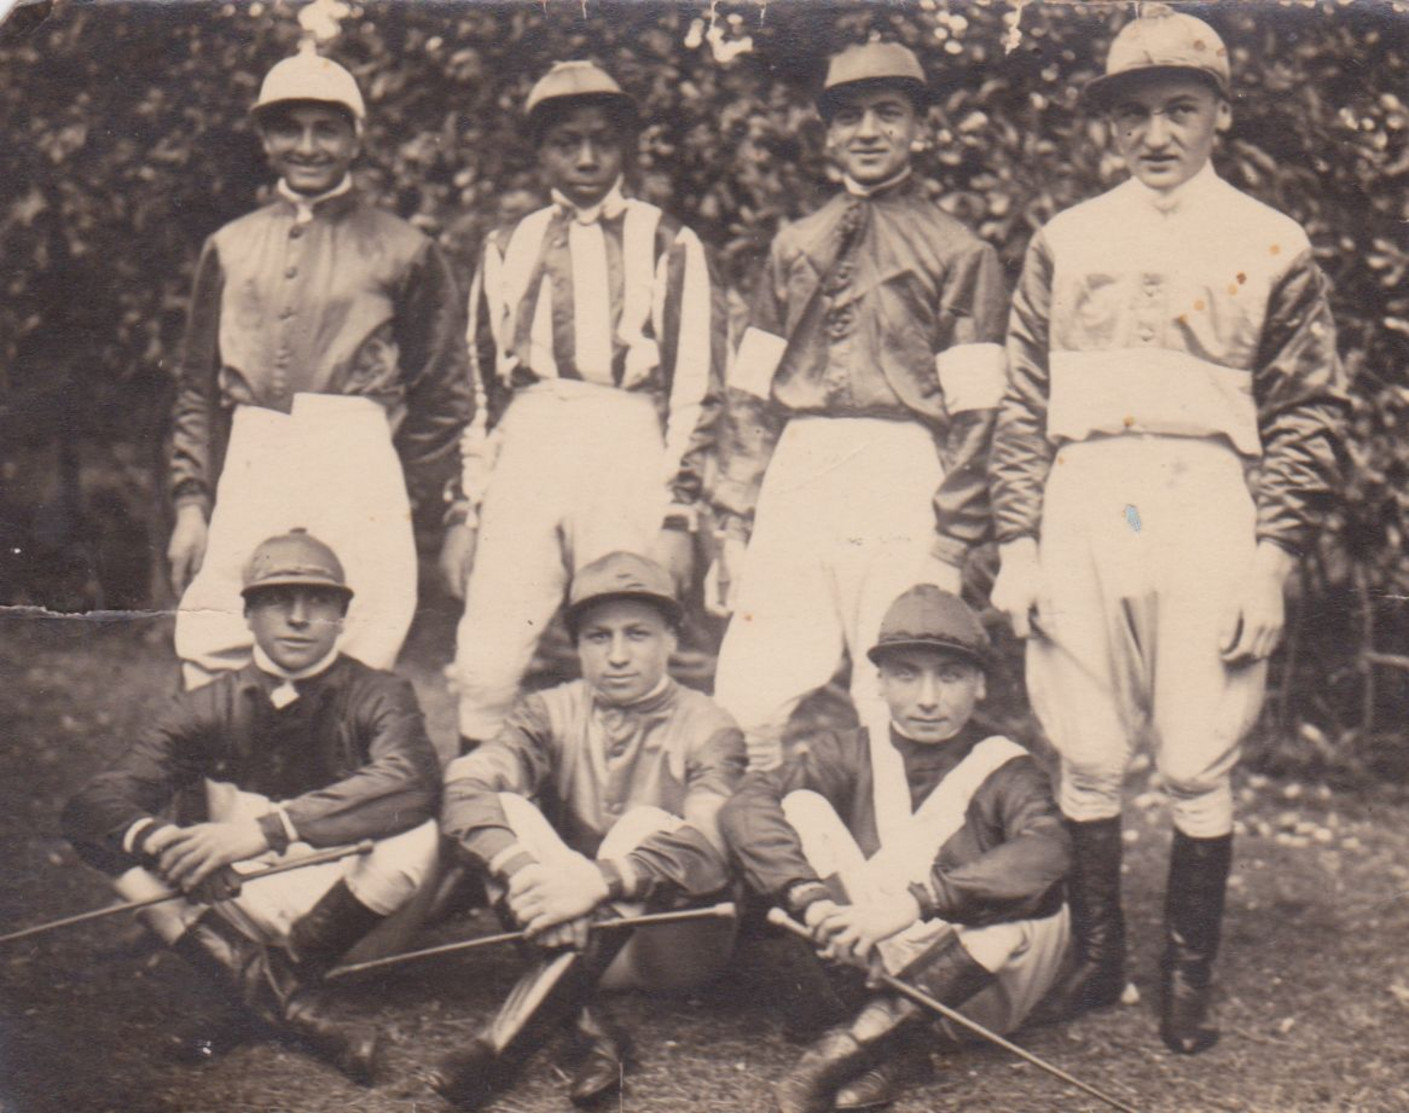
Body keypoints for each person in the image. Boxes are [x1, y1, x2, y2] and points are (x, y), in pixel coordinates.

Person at [989, 6, 1348, 1055]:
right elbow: (1019, 403)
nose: (1155, 136)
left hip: (1202, 493)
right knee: (1086, 740)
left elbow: (1307, 412)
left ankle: (1185, 969)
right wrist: (1017, 541)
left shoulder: (1270, 240)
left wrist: (1270, 556)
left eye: (1178, 111)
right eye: (1133, 114)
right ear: (1107, 124)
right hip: (1084, 489)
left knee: (1196, 749)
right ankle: (1099, 958)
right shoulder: (1063, 239)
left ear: (1219, 115)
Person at [710, 42, 1008, 770]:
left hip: (900, 468)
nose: (868, 132)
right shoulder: (793, 245)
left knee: (895, 684)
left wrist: (953, 535)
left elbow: (978, 412)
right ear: (828, 133)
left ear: (920, 128)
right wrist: (732, 520)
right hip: (801, 464)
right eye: (849, 117)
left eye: (887, 114)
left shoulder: (957, 250)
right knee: (750, 688)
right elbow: (749, 394)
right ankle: (757, 866)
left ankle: (892, 867)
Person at [62, 530, 442, 1082]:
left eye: (318, 602)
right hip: (243, 905)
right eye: (276, 600)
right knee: (117, 845)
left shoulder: (381, 694)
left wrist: (270, 829)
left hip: (357, 925)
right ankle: (287, 1001)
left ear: (342, 615)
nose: (297, 618)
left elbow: (412, 780)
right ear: (247, 614)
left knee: (413, 827)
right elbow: (92, 804)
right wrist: (159, 841)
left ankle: (248, 992)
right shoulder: (209, 703)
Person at [168, 46, 472, 689]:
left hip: (356, 453)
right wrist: (191, 501)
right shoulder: (229, 246)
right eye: (289, 128)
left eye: (326, 129)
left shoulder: (404, 248)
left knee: (360, 636)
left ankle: (337, 790)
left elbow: (444, 391)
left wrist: (388, 468)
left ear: (355, 137)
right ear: (265, 137)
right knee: (217, 631)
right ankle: (235, 791)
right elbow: (196, 387)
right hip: (255, 449)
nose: (307, 147)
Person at [450, 61, 726, 753]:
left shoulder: (669, 242)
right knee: (488, 657)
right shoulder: (505, 245)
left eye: (602, 140)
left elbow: (697, 387)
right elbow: (478, 391)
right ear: (539, 149)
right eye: (565, 141)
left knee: (622, 644)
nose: (584, 158)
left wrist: (677, 513)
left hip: (622, 439)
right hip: (531, 437)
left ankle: (626, 825)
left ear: (624, 146)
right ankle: (480, 824)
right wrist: (466, 509)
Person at [720, 585, 1071, 1112]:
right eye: (907, 674)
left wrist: (914, 904)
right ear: (879, 683)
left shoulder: (1009, 767)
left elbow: (1048, 850)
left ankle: (834, 1056)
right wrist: (811, 899)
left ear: (978, 685)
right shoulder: (848, 750)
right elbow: (746, 804)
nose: (928, 698)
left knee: (1021, 916)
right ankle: (898, 1048)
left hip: (971, 993)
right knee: (800, 807)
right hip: (865, 963)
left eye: (949, 676)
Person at [434, 551, 745, 1109]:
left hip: (670, 946)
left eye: (638, 635)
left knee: (645, 824)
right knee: (504, 803)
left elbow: (712, 846)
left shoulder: (710, 724)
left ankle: (498, 1047)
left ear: (673, 639)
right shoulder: (548, 710)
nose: (618, 656)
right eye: (598, 637)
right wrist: (524, 870)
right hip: (564, 923)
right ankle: (595, 1034)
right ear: (577, 645)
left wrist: (598, 882)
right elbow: (465, 786)